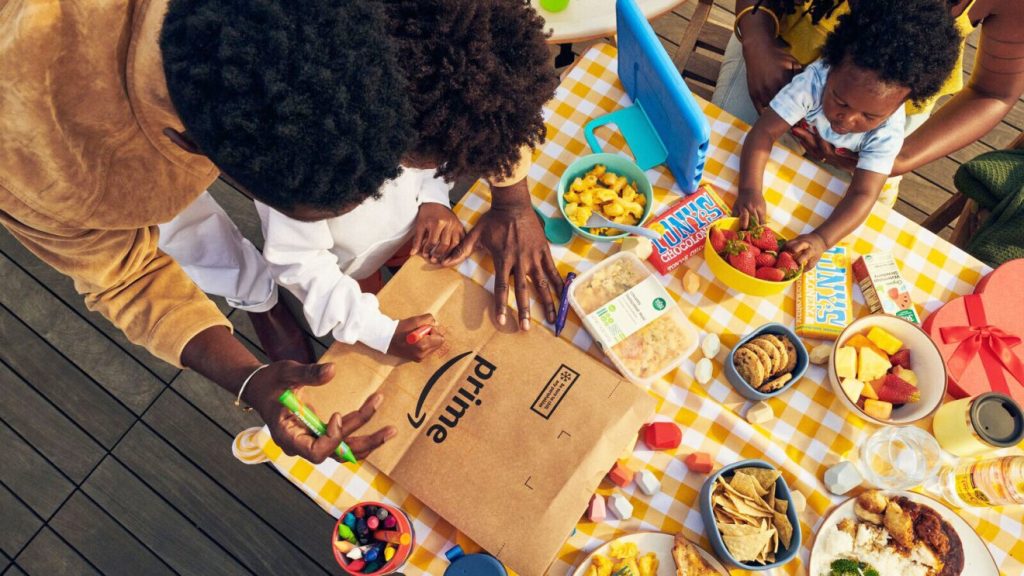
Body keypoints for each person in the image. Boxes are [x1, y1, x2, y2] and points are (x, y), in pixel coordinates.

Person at [0, 0, 552, 465]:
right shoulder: (36, 164)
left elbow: (474, 42)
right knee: (179, 229)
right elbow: (127, 275)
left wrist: (512, 195)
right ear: (199, 156)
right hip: (71, 146)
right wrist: (246, 379)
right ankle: (256, 295)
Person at [734, 0, 961, 269]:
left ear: (900, 105)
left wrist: (821, 239)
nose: (848, 119)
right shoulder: (814, 81)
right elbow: (763, 133)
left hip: (860, 177)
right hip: (802, 136)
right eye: (840, 102)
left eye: (869, 116)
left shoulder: (888, 131)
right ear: (830, 67)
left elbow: (863, 194)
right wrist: (750, 189)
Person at [716, 0, 1024, 184]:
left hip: (879, 127)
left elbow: (992, 93)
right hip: (770, 61)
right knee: (717, 168)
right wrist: (757, 40)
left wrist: (899, 158)